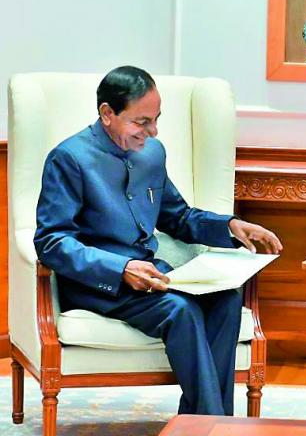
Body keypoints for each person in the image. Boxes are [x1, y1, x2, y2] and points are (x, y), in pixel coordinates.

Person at [33, 65, 283, 416]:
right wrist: (121, 268)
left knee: (227, 300)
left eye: (156, 119)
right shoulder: (69, 158)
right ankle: (214, 424)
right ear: (107, 113)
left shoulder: (153, 153)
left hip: (152, 275)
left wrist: (229, 226)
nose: (152, 131)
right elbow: (52, 241)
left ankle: (200, 422)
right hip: (99, 283)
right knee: (180, 311)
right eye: (141, 121)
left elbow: (177, 216)